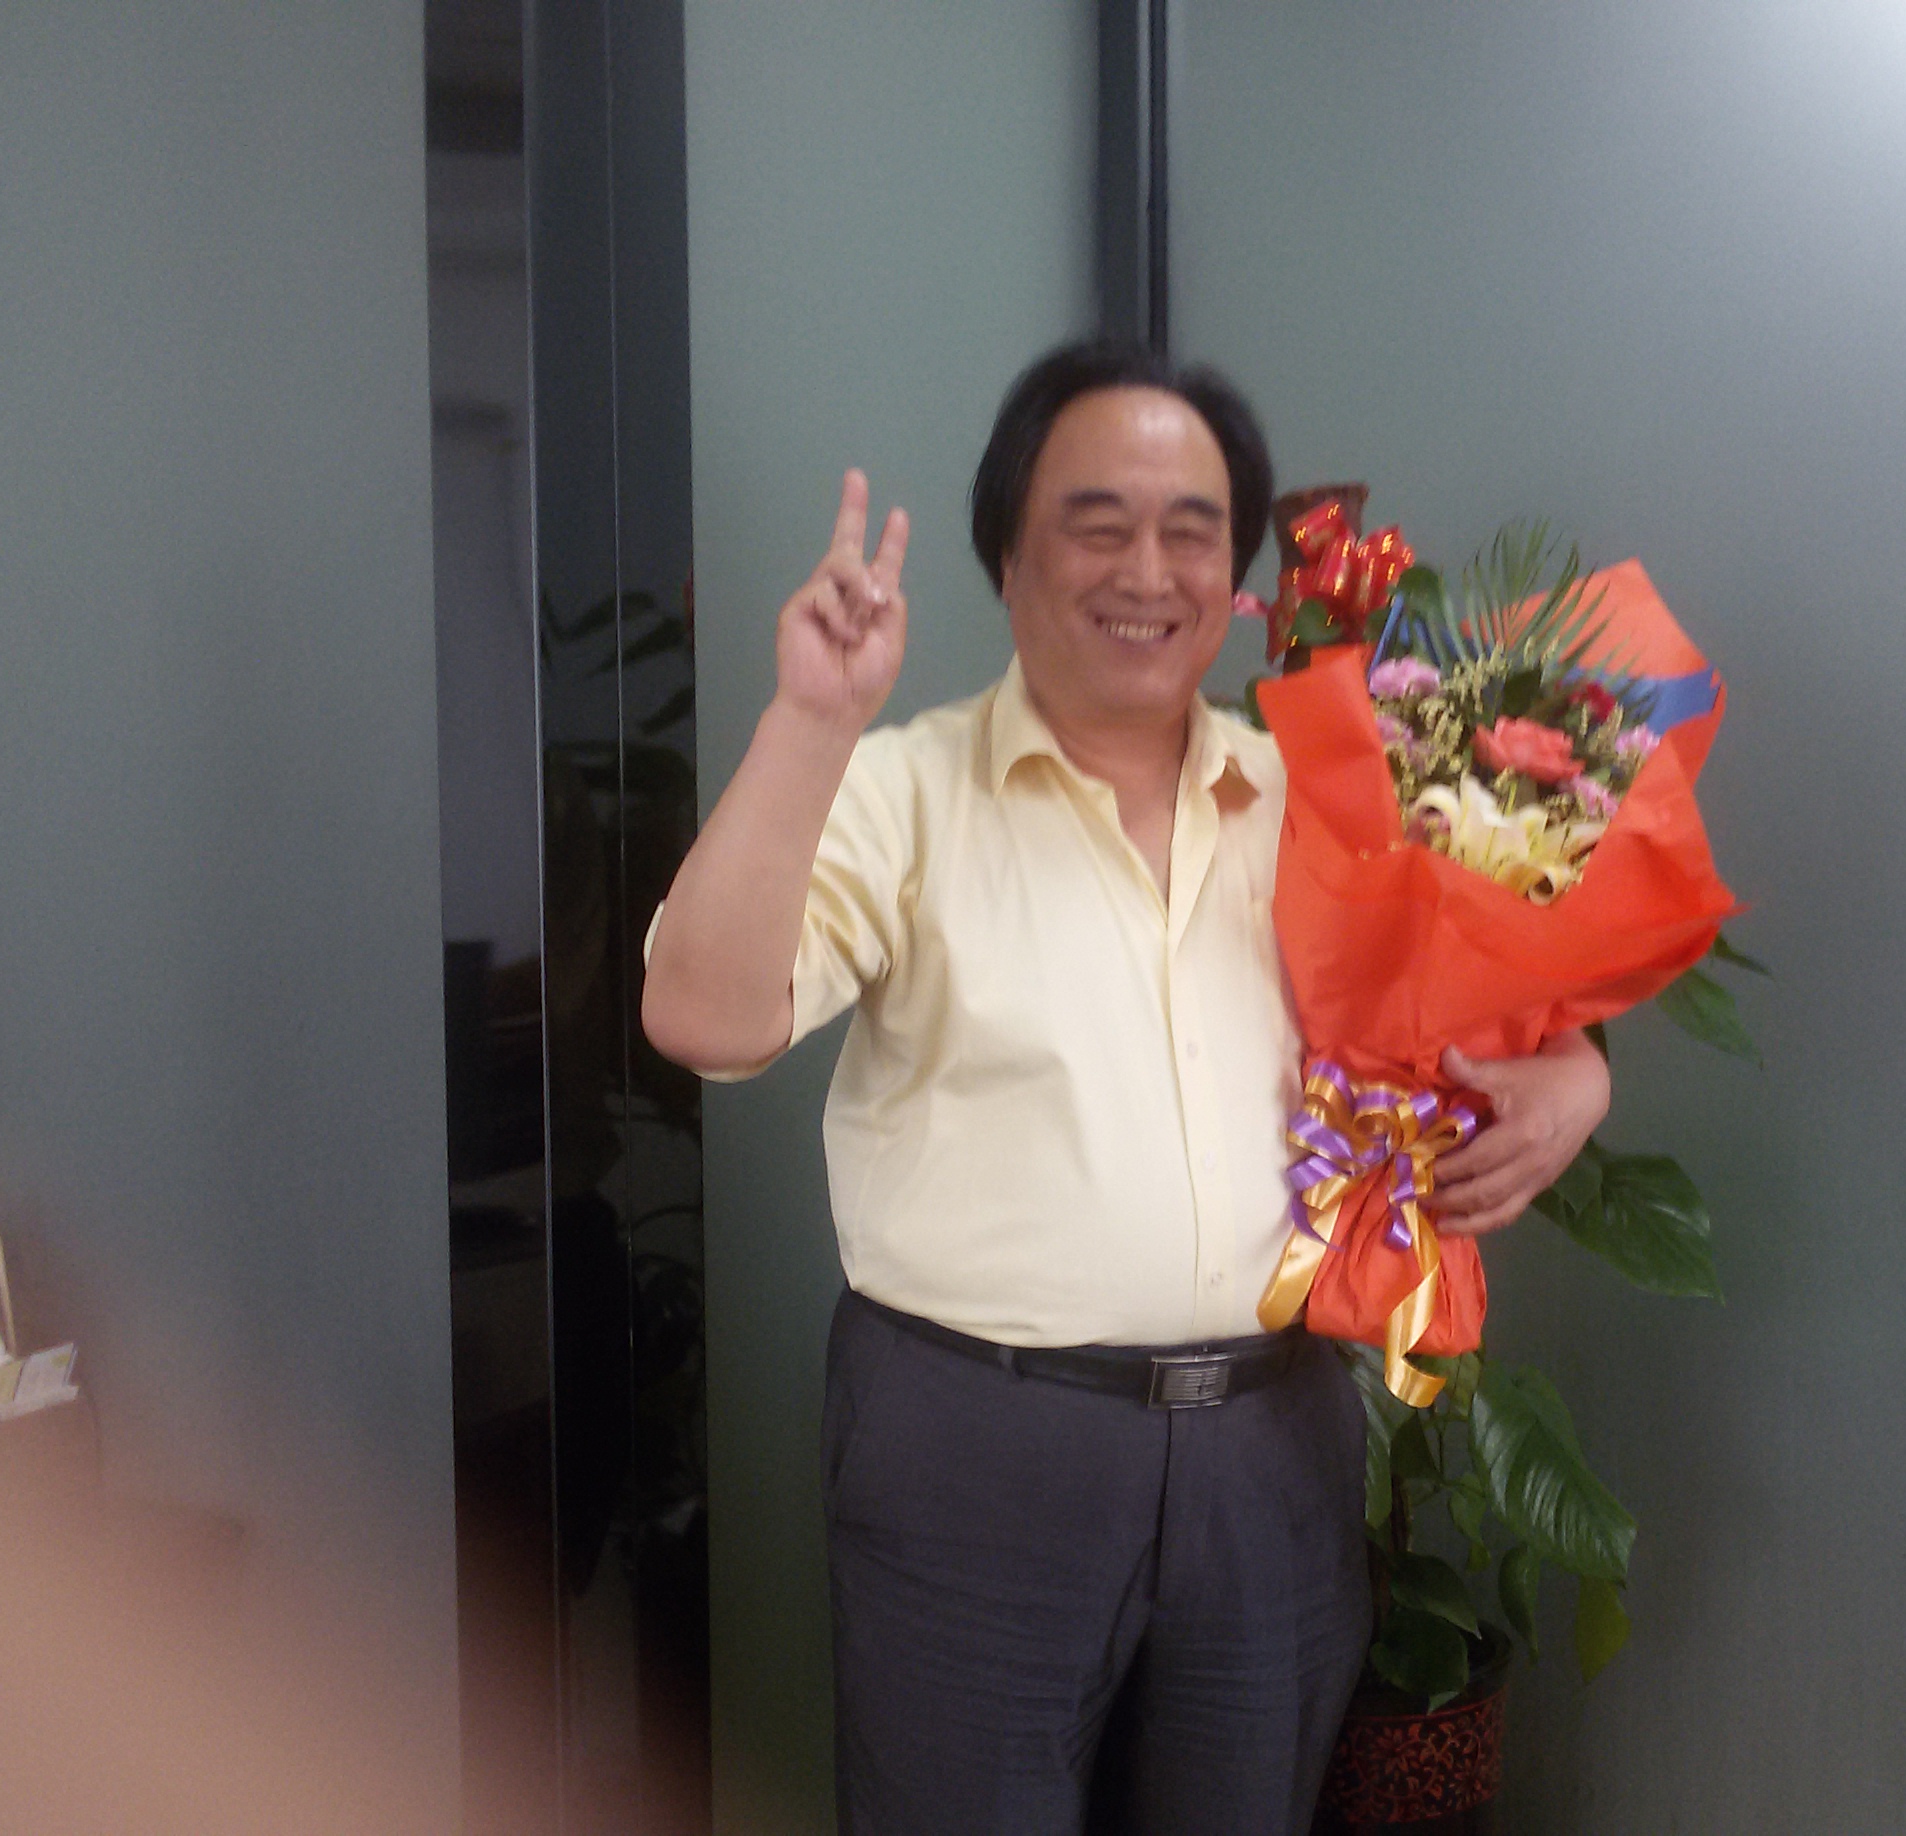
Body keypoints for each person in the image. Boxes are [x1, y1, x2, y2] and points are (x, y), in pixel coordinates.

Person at [640, 339, 1608, 1835]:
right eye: (1095, 525)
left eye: (1191, 531)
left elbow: (1512, 984)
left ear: (1235, 580)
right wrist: (811, 722)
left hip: (1274, 1445)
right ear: (1008, 558)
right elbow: (702, 1017)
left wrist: (1578, 1083)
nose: (1146, 570)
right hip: (978, 1444)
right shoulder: (901, 791)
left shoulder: (1332, 798)